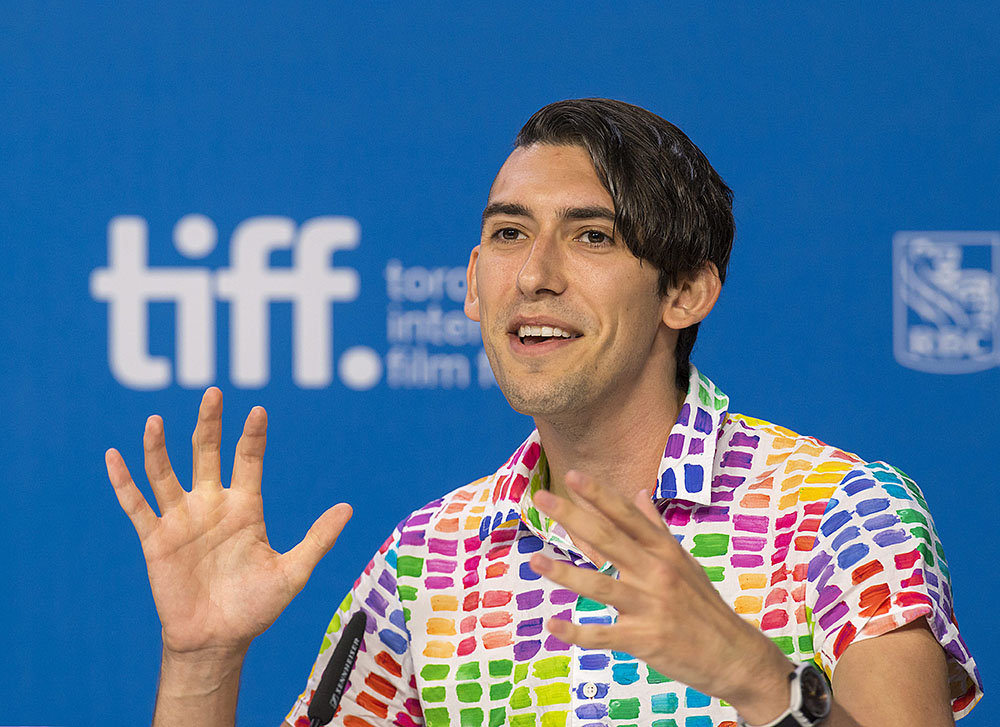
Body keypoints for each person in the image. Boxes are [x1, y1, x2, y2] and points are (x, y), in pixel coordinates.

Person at [106, 99, 982, 727]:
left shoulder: (842, 511)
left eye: (592, 236)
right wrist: (203, 660)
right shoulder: (426, 561)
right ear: (470, 284)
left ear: (685, 290)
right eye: (509, 233)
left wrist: (754, 678)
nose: (535, 274)